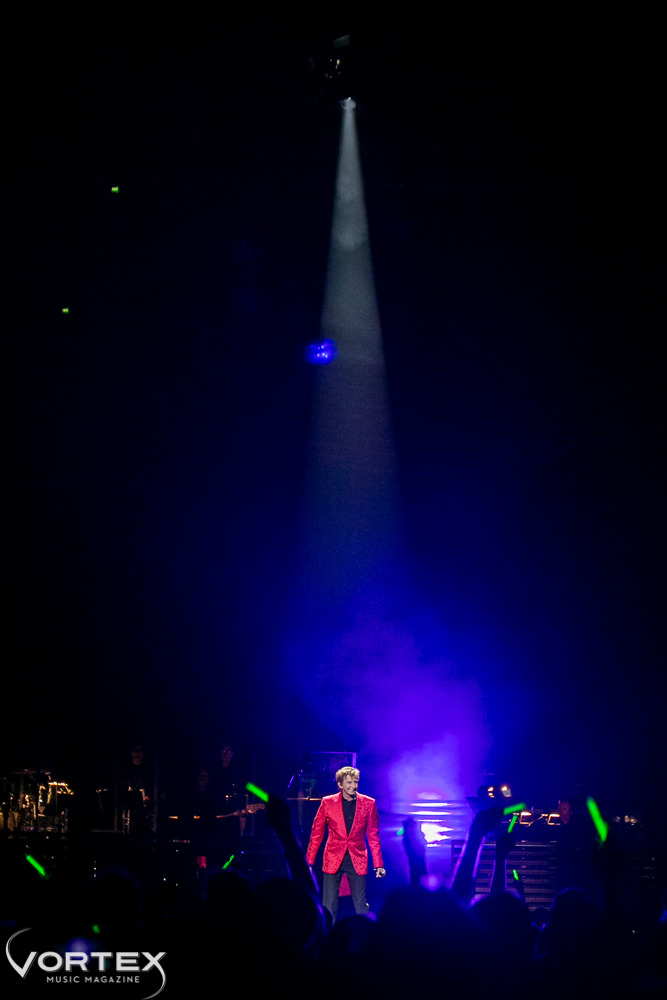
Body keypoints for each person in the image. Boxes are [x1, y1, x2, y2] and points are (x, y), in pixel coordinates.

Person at [306, 765, 385, 921]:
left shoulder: (368, 803)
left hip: (357, 858)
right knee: (329, 904)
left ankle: (366, 938)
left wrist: (378, 864)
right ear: (340, 785)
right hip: (333, 858)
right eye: (348, 782)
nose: (353, 786)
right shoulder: (328, 803)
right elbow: (316, 833)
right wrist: (309, 862)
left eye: (355, 782)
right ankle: (327, 939)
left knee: (361, 904)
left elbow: (373, 836)